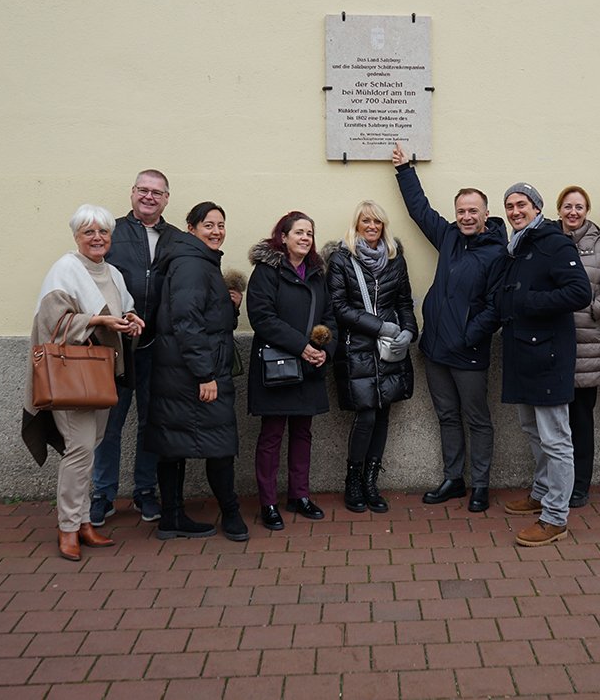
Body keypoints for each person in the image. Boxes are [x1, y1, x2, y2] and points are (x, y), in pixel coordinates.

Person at [23, 205, 145, 561]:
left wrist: (131, 321)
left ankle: (83, 523)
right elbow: (51, 323)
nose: (97, 238)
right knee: (78, 451)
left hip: (100, 375)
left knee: (89, 447)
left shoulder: (113, 273)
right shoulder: (66, 269)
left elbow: (123, 310)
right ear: (76, 236)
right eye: (88, 232)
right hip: (72, 375)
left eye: (103, 232)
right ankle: (68, 527)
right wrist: (99, 322)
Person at [392, 144, 508, 512]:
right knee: (446, 416)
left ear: (486, 213)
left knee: (477, 419)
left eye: (473, 211)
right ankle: (454, 479)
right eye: (461, 211)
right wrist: (405, 170)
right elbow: (420, 210)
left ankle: (481, 485)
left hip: (469, 351)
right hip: (435, 350)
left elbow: (496, 307)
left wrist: (470, 335)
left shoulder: (498, 252)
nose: (466, 216)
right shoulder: (449, 238)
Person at [147, 202, 248, 542]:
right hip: (195, 373)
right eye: (209, 225)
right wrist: (205, 374)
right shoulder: (192, 264)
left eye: (221, 224)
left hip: (184, 371)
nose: (217, 230)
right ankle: (230, 513)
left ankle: (172, 517)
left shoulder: (198, 261)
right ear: (191, 228)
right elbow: (187, 324)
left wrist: (229, 307)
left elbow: (205, 318)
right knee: (219, 444)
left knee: (174, 445)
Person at [498, 184, 592, 546]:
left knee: (556, 439)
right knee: (532, 429)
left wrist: (529, 301)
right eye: (509, 206)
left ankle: (555, 517)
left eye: (521, 204)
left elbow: (579, 292)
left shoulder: (554, 242)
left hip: (548, 355)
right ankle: (540, 492)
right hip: (522, 353)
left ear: (537, 207)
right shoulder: (519, 245)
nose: (515, 211)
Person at [91, 169, 178, 527]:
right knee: (109, 423)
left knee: (150, 421)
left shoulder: (176, 238)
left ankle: (145, 491)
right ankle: (103, 494)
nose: (149, 197)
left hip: (157, 344)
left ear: (166, 199)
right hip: (114, 345)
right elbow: (92, 276)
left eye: (157, 192)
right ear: (132, 193)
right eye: (143, 190)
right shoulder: (111, 232)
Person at [325, 200, 418, 513]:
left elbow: (405, 301)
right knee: (365, 413)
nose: (371, 226)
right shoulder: (341, 260)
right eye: (365, 221)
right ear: (357, 224)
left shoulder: (395, 259)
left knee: (382, 414)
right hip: (357, 349)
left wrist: (409, 331)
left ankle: (370, 482)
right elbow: (338, 307)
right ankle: (353, 480)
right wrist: (380, 326)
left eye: (377, 221)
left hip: (390, 350)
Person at [247, 212, 337, 531]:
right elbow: (262, 318)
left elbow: (329, 316)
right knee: (272, 435)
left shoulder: (316, 273)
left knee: (303, 433)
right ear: (283, 237)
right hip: (277, 366)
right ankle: (268, 502)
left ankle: (299, 495)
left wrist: (326, 350)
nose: (305, 238)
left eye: (309, 233)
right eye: (298, 232)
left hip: (310, 366)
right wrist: (302, 346)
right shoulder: (266, 271)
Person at [555, 186, 600, 508]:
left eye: (579, 207)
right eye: (568, 206)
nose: (573, 212)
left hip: (586, 347)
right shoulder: (548, 241)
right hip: (552, 345)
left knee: (581, 421)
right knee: (554, 423)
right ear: (559, 210)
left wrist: (591, 309)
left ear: (586, 210)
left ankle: (580, 485)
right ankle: (556, 482)